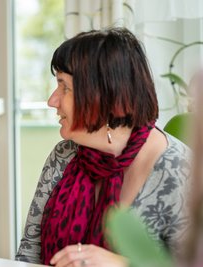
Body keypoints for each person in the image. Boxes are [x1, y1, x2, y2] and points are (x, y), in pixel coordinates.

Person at [16, 27, 191, 267]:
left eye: (65, 87)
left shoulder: (180, 171)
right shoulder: (63, 156)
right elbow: (27, 257)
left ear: (107, 96)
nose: (52, 100)